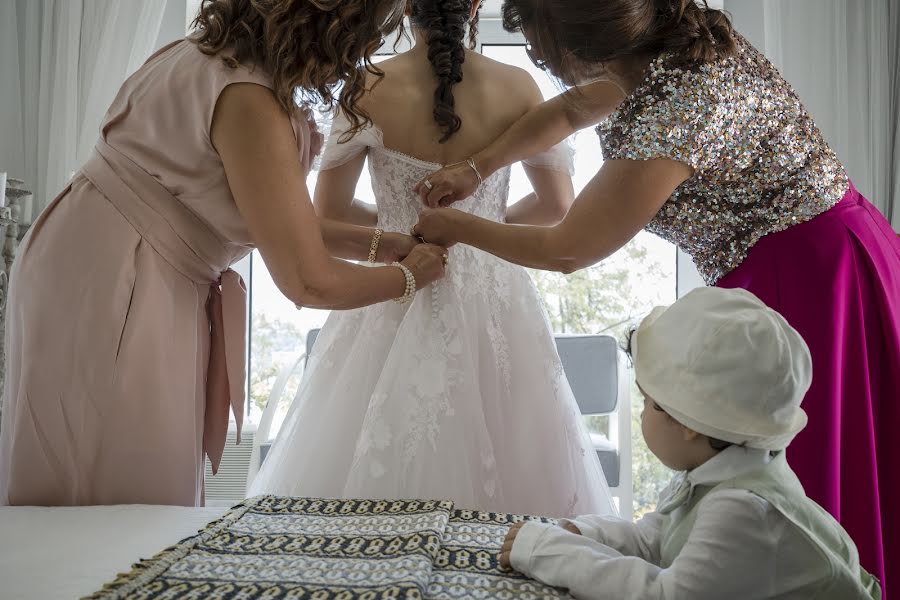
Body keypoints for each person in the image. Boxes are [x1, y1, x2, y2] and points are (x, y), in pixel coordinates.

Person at [412, 0, 900, 589]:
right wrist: (476, 167)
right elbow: (569, 110)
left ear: (585, 41)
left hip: (809, 276)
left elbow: (568, 248)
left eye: (544, 44)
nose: (540, 56)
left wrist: (458, 227)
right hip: (832, 246)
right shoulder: (663, 51)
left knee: (799, 473)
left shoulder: (679, 105)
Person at [0, 0, 449, 508]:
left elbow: (266, 212)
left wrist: (377, 243)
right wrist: (411, 277)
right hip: (117, 275)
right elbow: (309, 280)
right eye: (370, 31)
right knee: (113, 477)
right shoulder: (247, 98)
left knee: (103, 464)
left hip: (97, 252)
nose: (367, 49)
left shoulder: (204, 56)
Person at [248, 0, 614, 518]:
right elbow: (556, 207)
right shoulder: (520, 87)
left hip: (394, 285)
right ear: (475, 7)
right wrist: (477, 224)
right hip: (495, 295)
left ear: (404, 9)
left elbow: (327, 218)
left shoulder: (365, 86)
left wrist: (402, 225)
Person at [500, 287, 882, 599]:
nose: (640, 415)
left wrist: (549, 553)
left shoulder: (741, 507)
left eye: (648, 403)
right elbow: (656, 540)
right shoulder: (721, 467)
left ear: (689, 425)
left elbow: (666, 594)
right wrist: (583, 533)